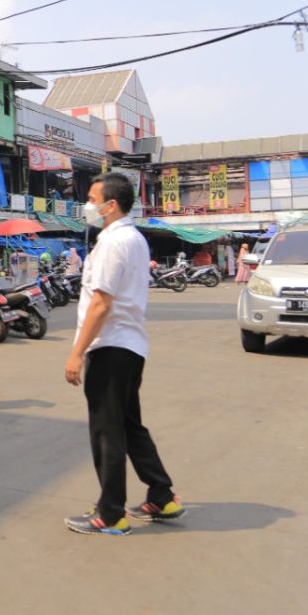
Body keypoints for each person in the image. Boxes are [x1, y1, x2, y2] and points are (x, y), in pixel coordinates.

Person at [64, 173, 183, 536]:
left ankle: (110, 511)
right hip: (129, 345)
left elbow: (101, 303)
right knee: (129, 425)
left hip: (111, 345)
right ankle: (161, 495)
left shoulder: (114, 242)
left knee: (107, 430)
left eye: (90, 198)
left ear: (110, 205)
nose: (87, 205)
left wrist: (77, 353)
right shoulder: (133, 239)